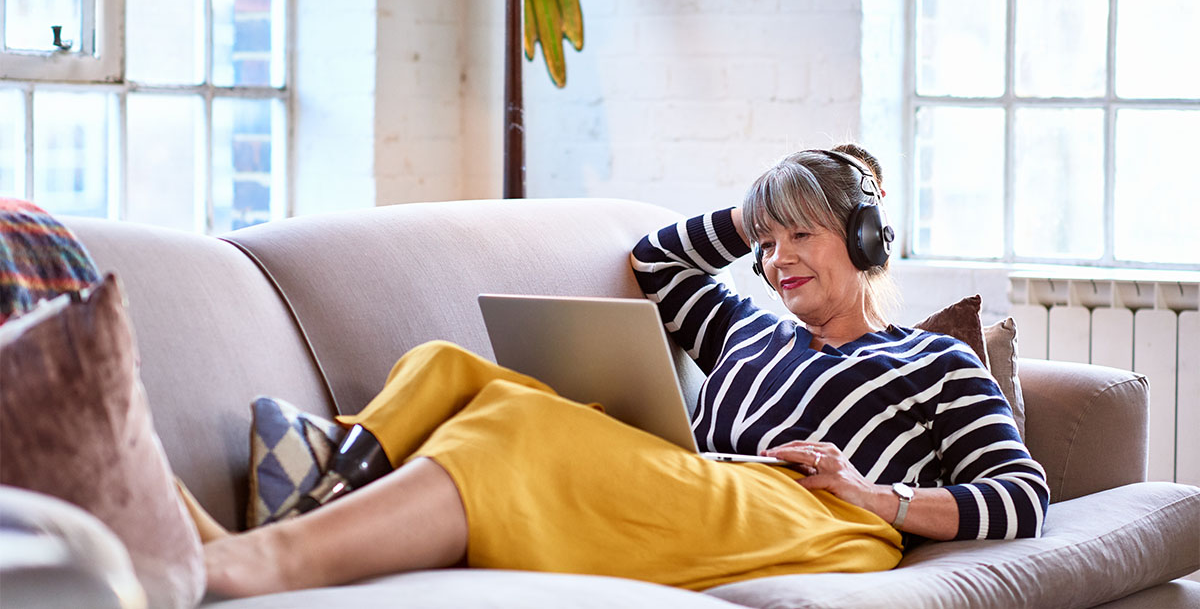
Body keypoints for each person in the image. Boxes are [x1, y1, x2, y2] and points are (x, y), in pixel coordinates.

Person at [203, 146, 1048, 598]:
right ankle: (324, 479)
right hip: (705, 483)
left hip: (820, 517)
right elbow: (657, 262)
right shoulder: (745, 334)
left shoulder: (930, 360)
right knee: (452, 368)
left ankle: (254, 561)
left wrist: (873, 495)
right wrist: (749, 209)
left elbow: (1023, 496)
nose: (778, 260)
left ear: (863, 242)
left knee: (515, 426)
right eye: (767, 242)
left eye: (802, 235)